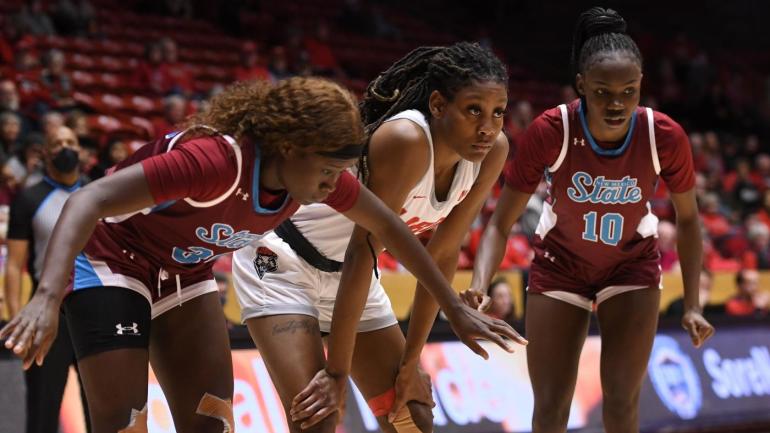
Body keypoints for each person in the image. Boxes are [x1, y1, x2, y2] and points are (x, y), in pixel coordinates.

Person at [0, 77, 517, 433]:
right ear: (290, 149)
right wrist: (47, 296)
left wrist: (453, 307)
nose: (334, 186)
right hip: (114, 260)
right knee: (124, 423)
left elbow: (389, 227)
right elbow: (87, 198)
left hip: (184, 270)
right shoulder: (212, 161)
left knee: (211, 420)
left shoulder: (310, 178)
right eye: (328, 173)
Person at [232, 42, 526, 433]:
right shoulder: (406, 139)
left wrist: (410, 364)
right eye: (474, 110)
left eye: (498, 112)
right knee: (316, 418)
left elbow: (442, 254)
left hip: (354, 275)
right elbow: (361, 250)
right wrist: (336, 373)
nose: (488, 127)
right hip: (282, 262)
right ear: (438, 105)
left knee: (412, 416)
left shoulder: (492, 151)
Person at [467, 8, 714, 432]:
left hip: (630, 266)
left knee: (620, 402)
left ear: (641, 87)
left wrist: (692, 303)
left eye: (628, 92)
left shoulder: (664, 135)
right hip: (560, 265)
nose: (616, 104)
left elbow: (689, 221)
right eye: (602, 92)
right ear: (581, 86)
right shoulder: (551, 130)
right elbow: (498, 223)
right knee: (550, 407)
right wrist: (478, 284)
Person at [4, 125, 91, 433]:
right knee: (42, 410)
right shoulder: (29, 198)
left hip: (94, 308)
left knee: (102, 408)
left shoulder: (99, 194)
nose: (65, 148)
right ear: (45, 152)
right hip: (47, 311)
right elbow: (14, 266)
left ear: (80, 150)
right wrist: (18, 320)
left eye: (71, 141)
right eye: (57, 143)